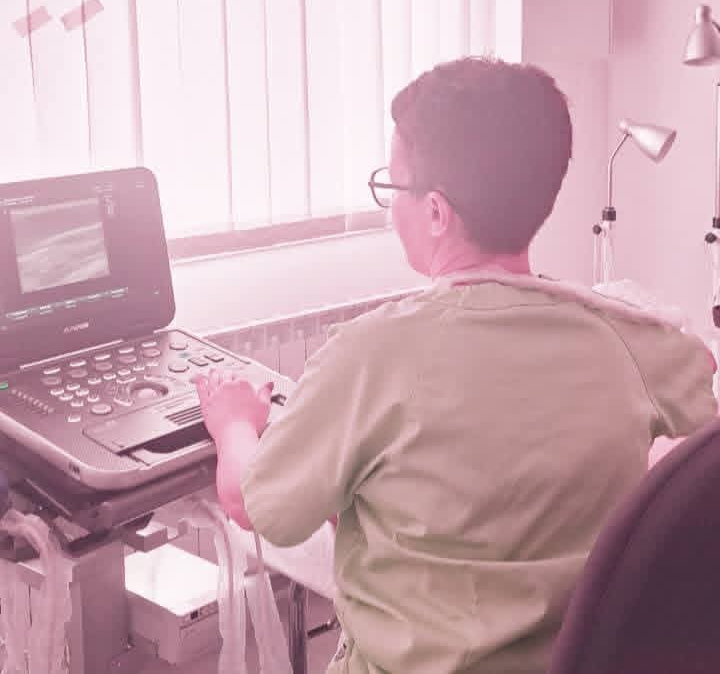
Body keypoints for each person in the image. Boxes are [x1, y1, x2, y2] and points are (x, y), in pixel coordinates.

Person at [194, 56, 717, 674]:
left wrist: (233, 422)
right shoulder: (629, 340)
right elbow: (700, 396)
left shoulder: (370, 355)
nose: (390, 208)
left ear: (437, 213)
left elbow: (254, 506)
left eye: (393, 188)